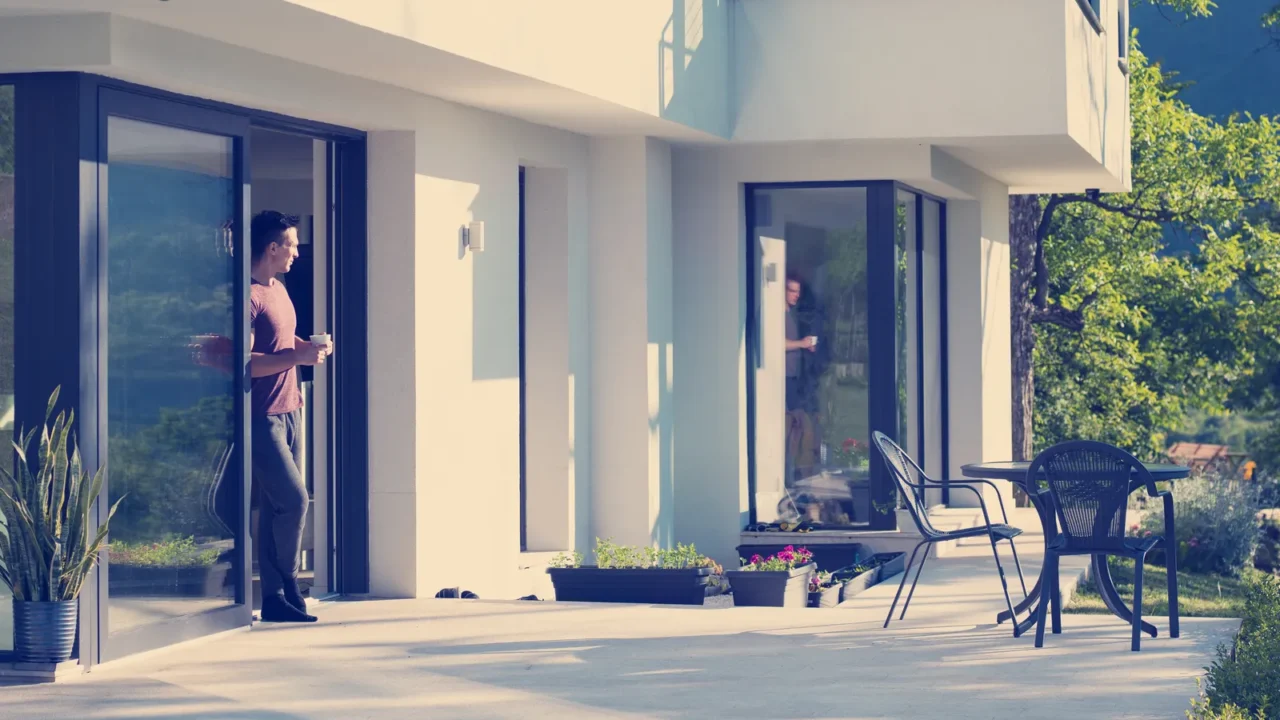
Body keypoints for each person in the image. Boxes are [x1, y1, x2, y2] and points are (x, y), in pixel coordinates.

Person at [249, 210, 332, 623]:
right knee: (295, 502)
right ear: (272, 247)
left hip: (292, 409)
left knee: (274, 508)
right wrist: (294, 357)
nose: (297, 252)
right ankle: (288, 588)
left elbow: (283, 344)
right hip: (261, 416)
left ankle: (276, 601)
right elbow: (245, 364)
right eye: (293, 245)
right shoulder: (248, 296)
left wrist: (307, 349)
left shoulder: (278, 289)